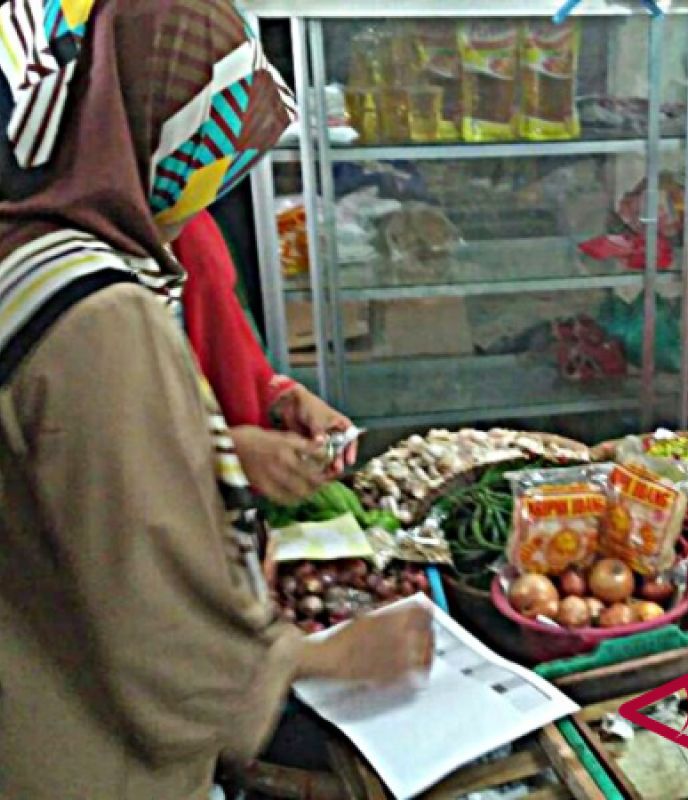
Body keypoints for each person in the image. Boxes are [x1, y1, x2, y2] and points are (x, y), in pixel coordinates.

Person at [0, 2, 431, 799]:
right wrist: (331, 656)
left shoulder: (26, 250)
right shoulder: (95, 309)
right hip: (84, 756)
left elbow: (63, 473)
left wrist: (242, 421)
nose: (211, 173)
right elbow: (167, 638)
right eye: (207, 139)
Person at [174, 210, 357, 504]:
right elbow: (95, 448)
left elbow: (221, 333)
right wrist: (224, 452)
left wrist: (282, 400)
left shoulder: (190, 225)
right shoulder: (93, 264)